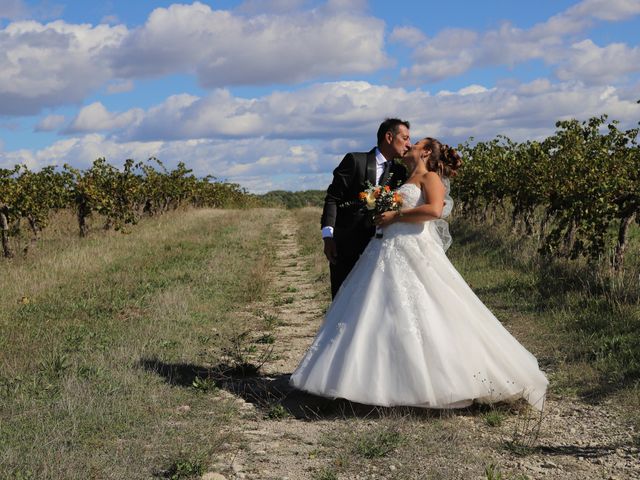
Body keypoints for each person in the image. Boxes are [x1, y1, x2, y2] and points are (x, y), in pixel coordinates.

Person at [290, 137, 548, 411]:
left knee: (425, 311)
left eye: (416, 142)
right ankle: (380, 380)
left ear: (425, 152)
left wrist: (395, 217)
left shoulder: (430, 177)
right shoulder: (406, 177)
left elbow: (435, 210)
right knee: (381, 314)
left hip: (413, 250)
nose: (409, 144)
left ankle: (443, 381)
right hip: (387, 248)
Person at [321, 118, 411, 298]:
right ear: (389, 137)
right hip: (347, 244)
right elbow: (332, 199)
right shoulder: (355, 161)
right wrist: (328, 236)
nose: (409, 144)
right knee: (342, 297)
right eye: (405, 138)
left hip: (381, 247)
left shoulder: (400, 173)